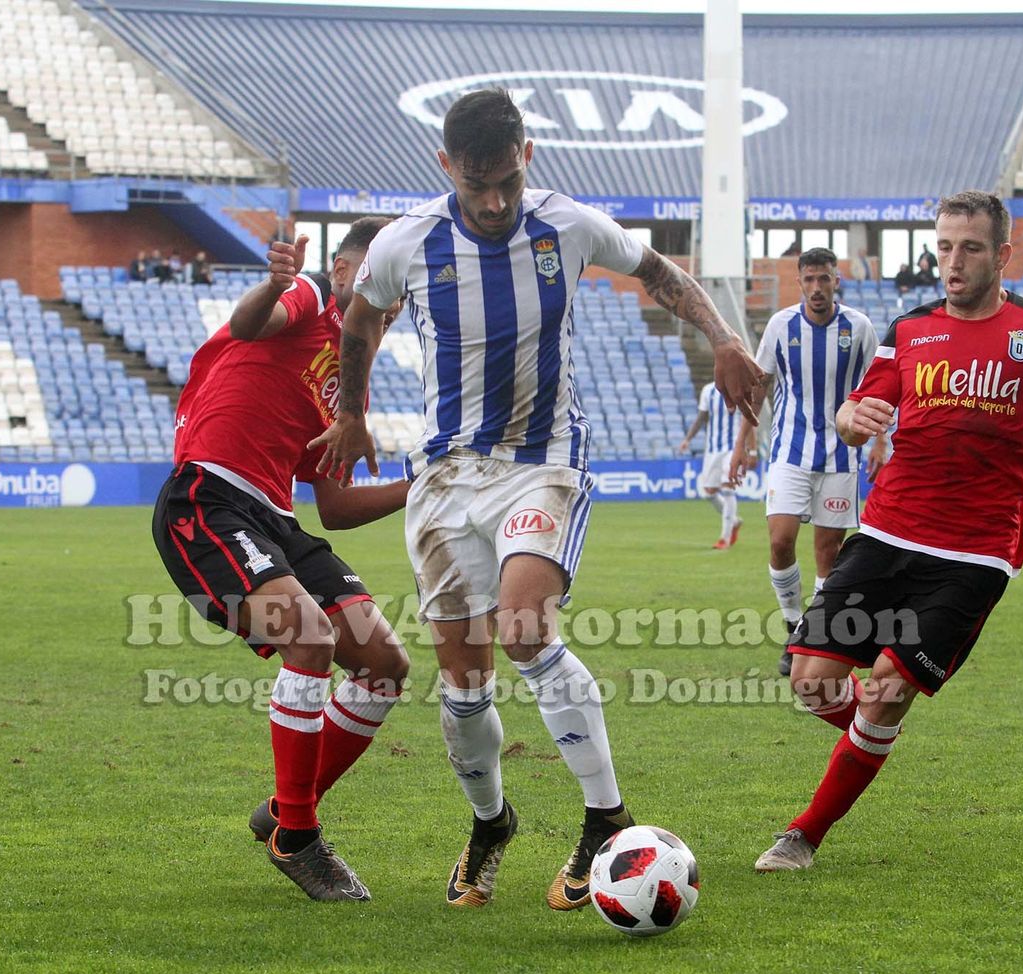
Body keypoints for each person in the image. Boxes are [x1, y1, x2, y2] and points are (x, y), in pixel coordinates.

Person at [310, 88, 765, 911]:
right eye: (475, 183)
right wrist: (351, 411)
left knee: (524, 625)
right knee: (463, 681)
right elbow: (360, 322)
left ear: (528, 156)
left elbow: (659, 272)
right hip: (445, 475)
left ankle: (605, 816)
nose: (494, 202)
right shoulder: (406, 243)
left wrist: (725, 339)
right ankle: (492, 822)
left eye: (507, 182)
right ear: (445, 166)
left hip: (543, 460)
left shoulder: (568, 225)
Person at [751, 191, 1023, 874]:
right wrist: (852, 420)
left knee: (887, 687)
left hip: (975, 552)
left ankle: (804, 833)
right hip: (886, 532)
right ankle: (872, 736)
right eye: (943, 247)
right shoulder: (910, 329)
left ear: (1002, 254)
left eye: (969, 247)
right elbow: (855, 409)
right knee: (811, 681)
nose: (953, 261)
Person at [152, 217, 410, 903]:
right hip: (208, 499)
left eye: (401, 287)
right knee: (310, 636)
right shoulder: (309, 298)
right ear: (344, 272)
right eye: (381, 277)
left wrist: (422, 487)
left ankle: (284, 810)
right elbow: (247, 326)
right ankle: (298, 835)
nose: (392, 299)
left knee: (385, 665)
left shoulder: (350, 384)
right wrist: (273, 284)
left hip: (277, 519)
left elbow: (336, 507)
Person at [734, 248, 886, 678]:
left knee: (828, 552)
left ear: (836, 280)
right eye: (810, 280)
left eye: (824, 279)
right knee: (780, 540)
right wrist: (743, 442)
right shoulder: (781, 326)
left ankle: (811, 635)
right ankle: (792, 623)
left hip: (842, 454)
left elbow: (881, 385)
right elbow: (759, 386)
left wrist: (881, 442)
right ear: (799, 282)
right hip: (790, 451)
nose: (817, 288)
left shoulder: (859, 327)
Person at [677, 379, 744, 549]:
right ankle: (734, 521)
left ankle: (725, 538)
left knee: (728, 489)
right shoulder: (708, 390)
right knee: (709, 492)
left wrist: (750, 449)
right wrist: (687, 439)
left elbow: (748, 418)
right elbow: (701, 418)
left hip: (733, 447)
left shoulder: (738, 386)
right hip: (713, 449)